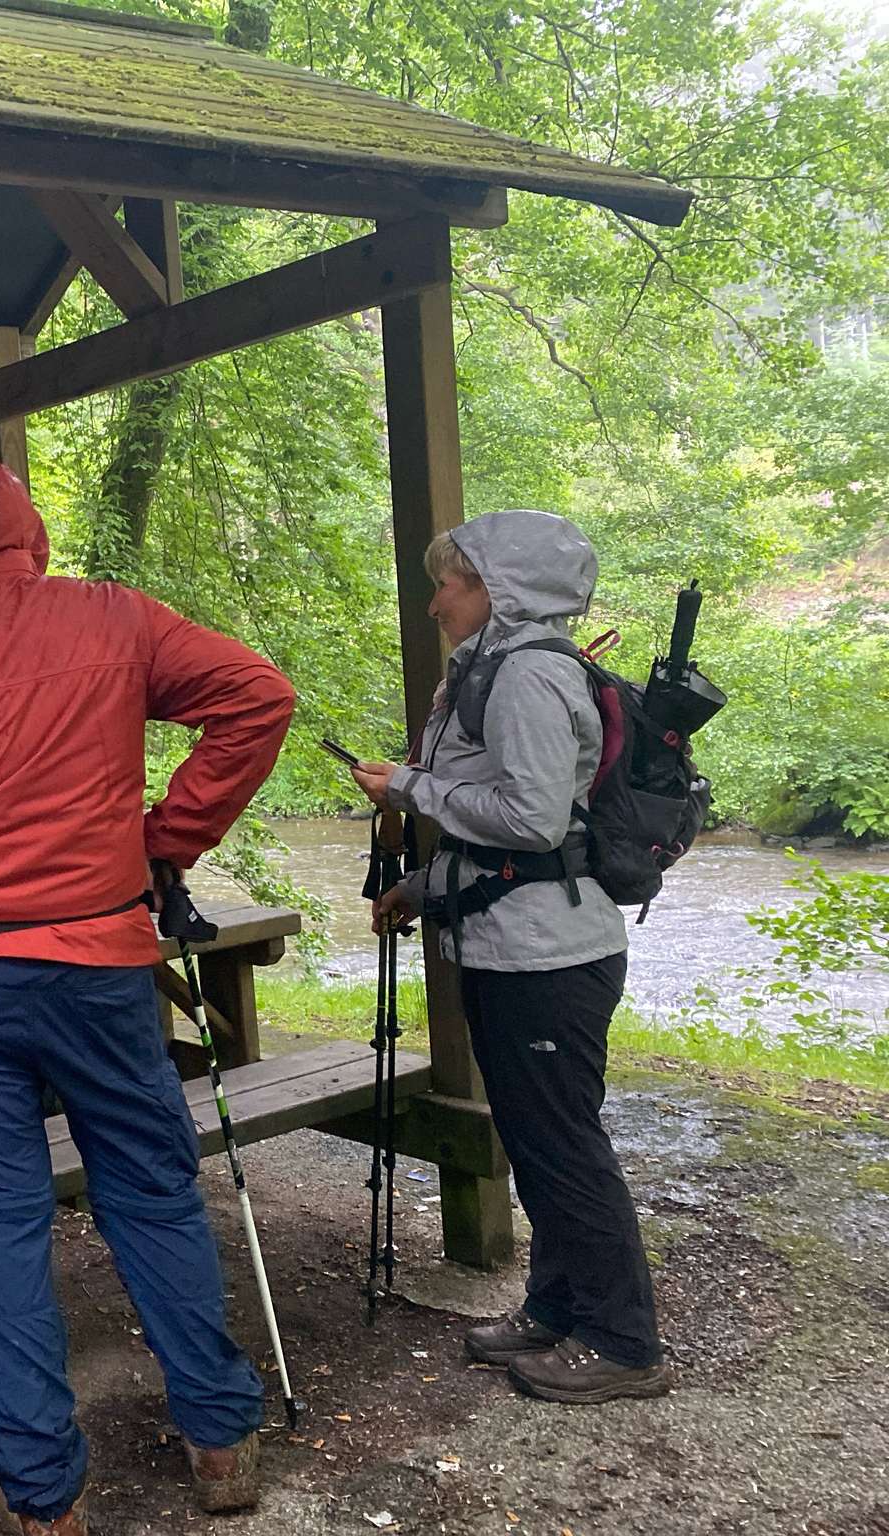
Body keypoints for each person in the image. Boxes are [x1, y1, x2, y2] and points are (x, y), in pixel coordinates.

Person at [0, 459, 297, 1533]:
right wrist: (164, 838)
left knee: (2, 1227)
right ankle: (221, 1440)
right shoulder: (111, 617)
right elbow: (257, 697)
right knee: (153, 1192)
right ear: (24, 535)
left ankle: (46, 1503)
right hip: (102, 972)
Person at [350, 510, 667, 1405]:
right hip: (513, 944)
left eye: (448, 583)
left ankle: (624, 1343)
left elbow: (531, 820)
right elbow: (505, 829)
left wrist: (407, 786)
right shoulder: (492, 668)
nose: (435, 602)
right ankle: (557, 1309)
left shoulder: (527, 675)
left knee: (563, 1146)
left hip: (549, 959)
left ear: (500, 588)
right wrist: (423, 886)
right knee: (535, 1142)